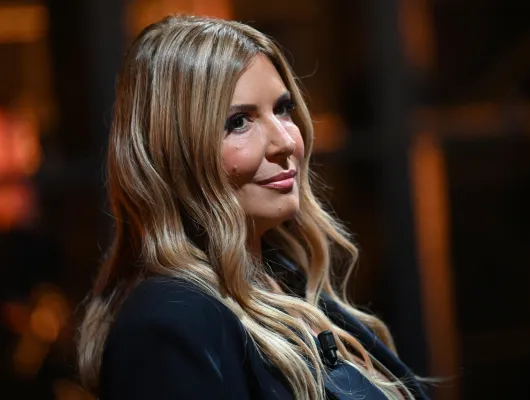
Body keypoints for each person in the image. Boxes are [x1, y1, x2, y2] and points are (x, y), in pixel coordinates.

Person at [77, 15, 429, 400]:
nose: (285, 142)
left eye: (283, 108)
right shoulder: (167, 324)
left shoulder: (285, 279)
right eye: (239, 121)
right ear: (173, 155)